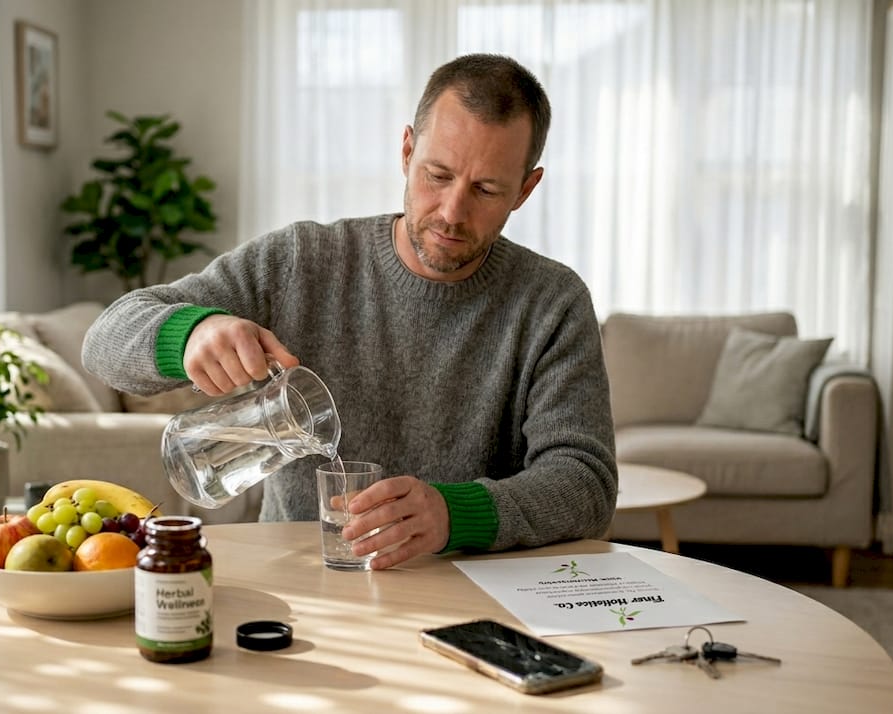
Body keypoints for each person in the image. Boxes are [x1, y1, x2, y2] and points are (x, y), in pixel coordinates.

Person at [82, 53, 617, 569]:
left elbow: (586, 483)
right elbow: (103, 342)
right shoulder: (302, 261)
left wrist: (455, 514)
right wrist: (190, 333)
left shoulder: (552, 302)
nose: (452, 212)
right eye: (437, 175)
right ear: (406, 152)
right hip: (298, 578)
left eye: (486, 189)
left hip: (468, 581)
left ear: (525, 189)